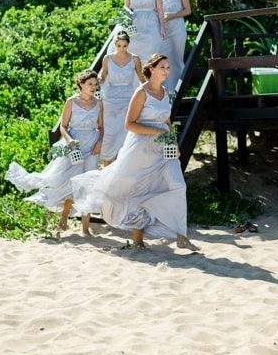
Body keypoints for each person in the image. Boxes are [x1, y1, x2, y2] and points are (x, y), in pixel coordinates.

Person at [71, 54, 198, 251]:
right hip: (141, 148)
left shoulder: (165, 92)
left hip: (164, 149)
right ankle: (138, 239)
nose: (167, 71)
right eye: (163, 67)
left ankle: (181, 235)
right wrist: (156, 131)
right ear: (152, 69)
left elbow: (166, 120)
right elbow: (129, 124)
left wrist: (172, 139)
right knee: (136, 190)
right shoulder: (141, 92)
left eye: (168, 67)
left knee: (178, 186)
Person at [5, 70, 104, 235]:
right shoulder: (71, 102)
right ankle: (63, 218)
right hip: (74, 145)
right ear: (81, 84)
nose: (93, 87)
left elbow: (101, 127)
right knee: (68, 182)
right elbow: (63, 126)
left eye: (95, 84)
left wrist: (100, 141)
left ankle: (85, 229)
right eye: (90, 84)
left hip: (92, 146)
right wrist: (70, 140)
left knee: (88, 185)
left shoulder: (99, 103)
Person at [99, 31, 146, 162]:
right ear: (115, 45)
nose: (122, 48)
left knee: (125, 129)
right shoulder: (107, 59)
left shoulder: (134, 59)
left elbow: (141, 77)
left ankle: (122, 159)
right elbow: (102, 77)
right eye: (119, 45)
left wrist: (150, 90)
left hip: (128, 97)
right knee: (110, 129)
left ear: (128, 45)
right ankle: (107, 159)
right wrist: (93, 81)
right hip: (110, 97)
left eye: (125, 45)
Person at [159, 0, 192, 94]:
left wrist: (172, 15)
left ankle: (179, 90)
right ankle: (166, 90)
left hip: (177, 27)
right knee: (164, 58)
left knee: (177, 58)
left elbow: (188, 10)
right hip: (164, 30)